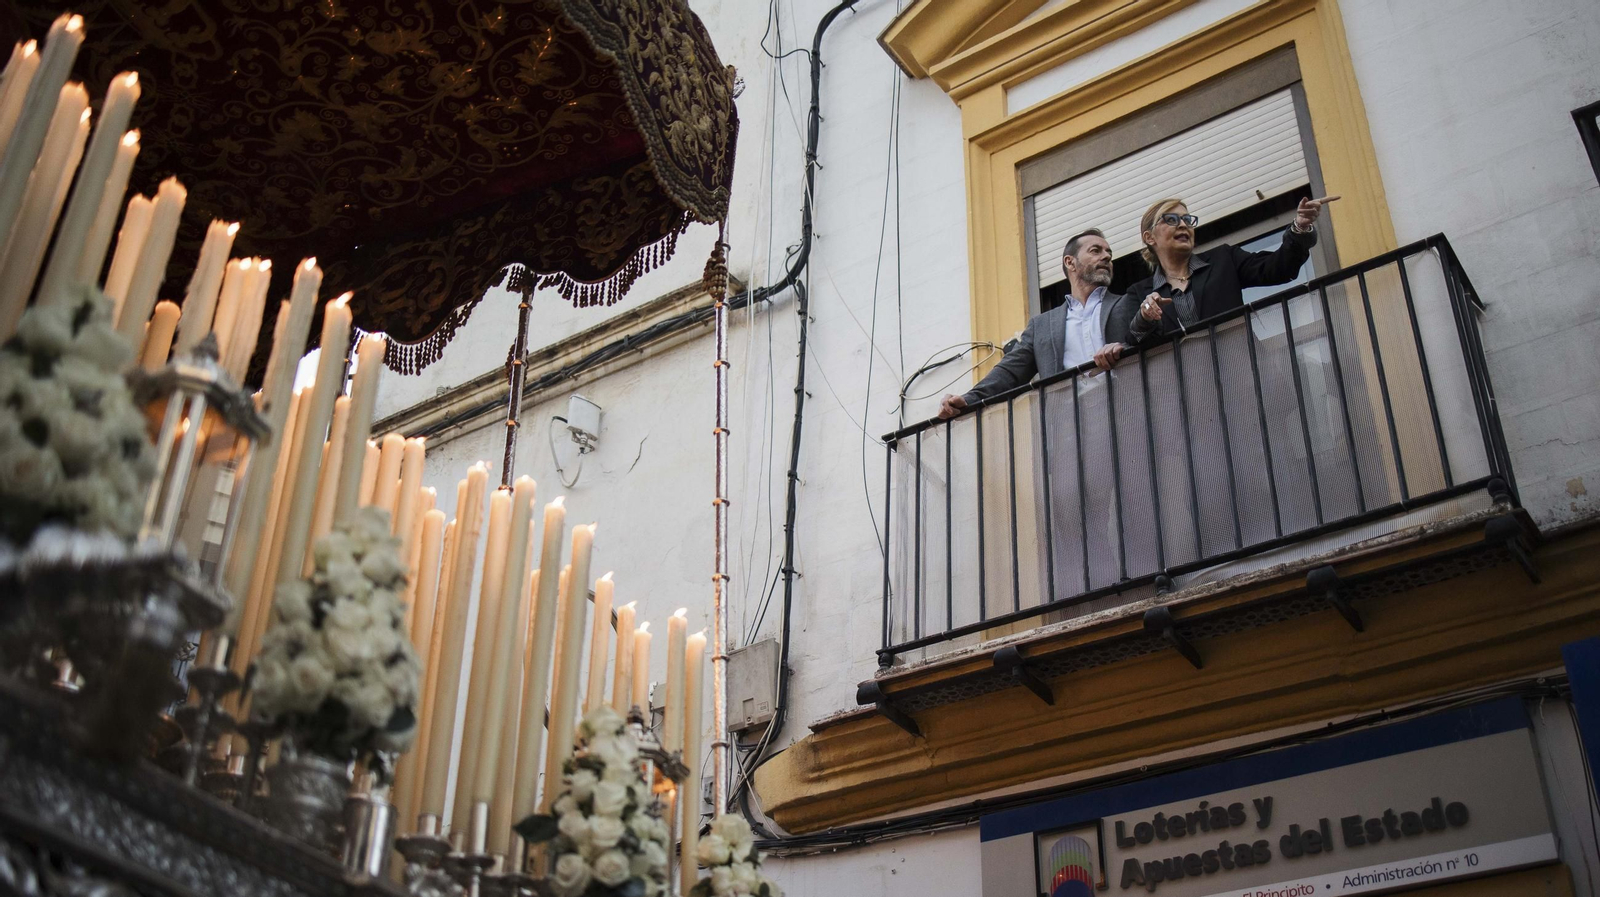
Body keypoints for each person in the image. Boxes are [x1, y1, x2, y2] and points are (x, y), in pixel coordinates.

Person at [938, 229, 1138, 420]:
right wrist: (967, 399)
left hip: (1127, 412)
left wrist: (1124, 349)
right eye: (1096, 251)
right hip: (1070, 426)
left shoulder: (1128, 303)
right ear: (1070, 262)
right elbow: (1010, 372)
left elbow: (1147, 341)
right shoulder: (1042, 325)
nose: (1106, 257)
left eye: (1108, 253)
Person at [1121, 195, 1338, 343]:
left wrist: (1299, 227)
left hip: (1243, 382)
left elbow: (1278, 268)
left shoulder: (1223, 259)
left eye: (1188, 220)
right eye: (1171, 219)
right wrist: (1145, 316)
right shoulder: (1139, 293)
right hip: (1188, 399)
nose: (1183, 225)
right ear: (1149, 237)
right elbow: (1132, 341)